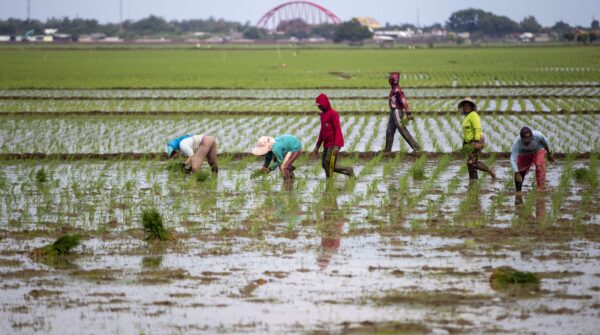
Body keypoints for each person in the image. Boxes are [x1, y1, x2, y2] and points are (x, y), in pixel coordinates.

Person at [311, 93, 354, 178]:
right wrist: (317, 146)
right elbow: (322, 132)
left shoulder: (333, 114)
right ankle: (348, 171)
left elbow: (338, 129)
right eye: (318, 106)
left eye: (320, 105)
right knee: (324, 164)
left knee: (328, 164)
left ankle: (329, 182)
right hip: (326, 144)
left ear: (325, 104)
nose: (319, 107)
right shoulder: (323, 115)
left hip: (333, 143)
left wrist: (337, 145)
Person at [459, 97, 496, 180]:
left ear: (472, 107)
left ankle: (490, 171)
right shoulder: (467, 116)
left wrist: (476, 142)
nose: (466, 107)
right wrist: (465, 143)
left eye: (468, 105)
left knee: (472, 162)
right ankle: (473, 180)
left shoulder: (473, 115)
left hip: (475, 141)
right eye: (464, 106)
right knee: (470, 163)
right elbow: (468, 132)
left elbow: (477, 128)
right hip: (469, 142)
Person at [384, 72, 420, 152]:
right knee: (389, 131)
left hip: (397, 111)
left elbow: (404, 101)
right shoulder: (393, 89)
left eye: (390, 78)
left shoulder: (397, 90)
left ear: (393, 79)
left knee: (402, 129)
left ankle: (416, 147)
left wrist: (408, 112)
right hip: (393, 111)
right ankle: (387, 150)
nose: (388, 79)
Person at [511, 127, 554, 191]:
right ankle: (518, 191)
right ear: (521, 138)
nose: (528, 142)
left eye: (529, 139)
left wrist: (549, 153)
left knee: (539, 164)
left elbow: (545, 143)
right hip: (524, 153)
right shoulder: (517, 143)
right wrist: (517, 172)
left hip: (538, 150)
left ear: (532, 136)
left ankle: (541, 187)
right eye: (525, 140)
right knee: (521, 171)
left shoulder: (538, 135)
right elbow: (513, 158)